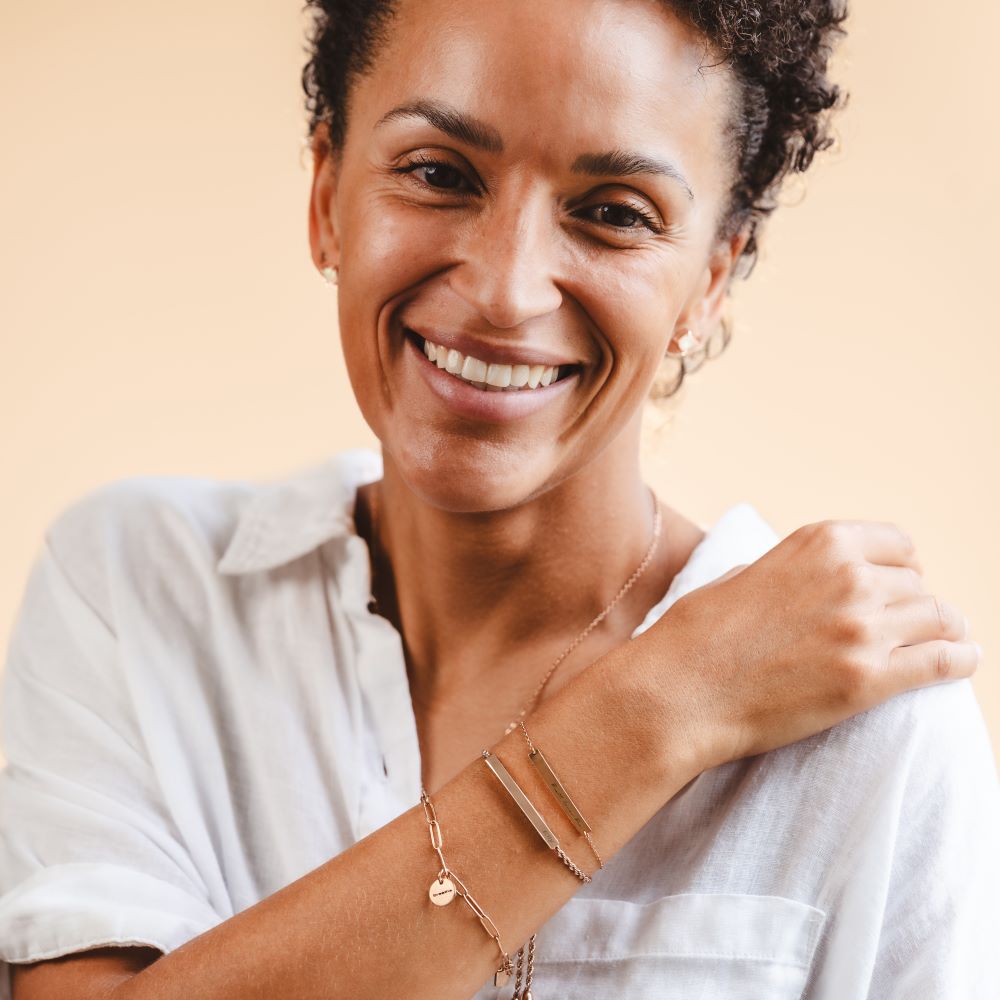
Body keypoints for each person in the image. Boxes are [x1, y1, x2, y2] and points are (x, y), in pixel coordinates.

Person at [1, 1, 997, 998]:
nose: (506, 291)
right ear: (324, 197)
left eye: (613, 211)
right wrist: (659, 706)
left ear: (709, 280)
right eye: (438, 173)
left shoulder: (867, 728)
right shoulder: (136, 589)